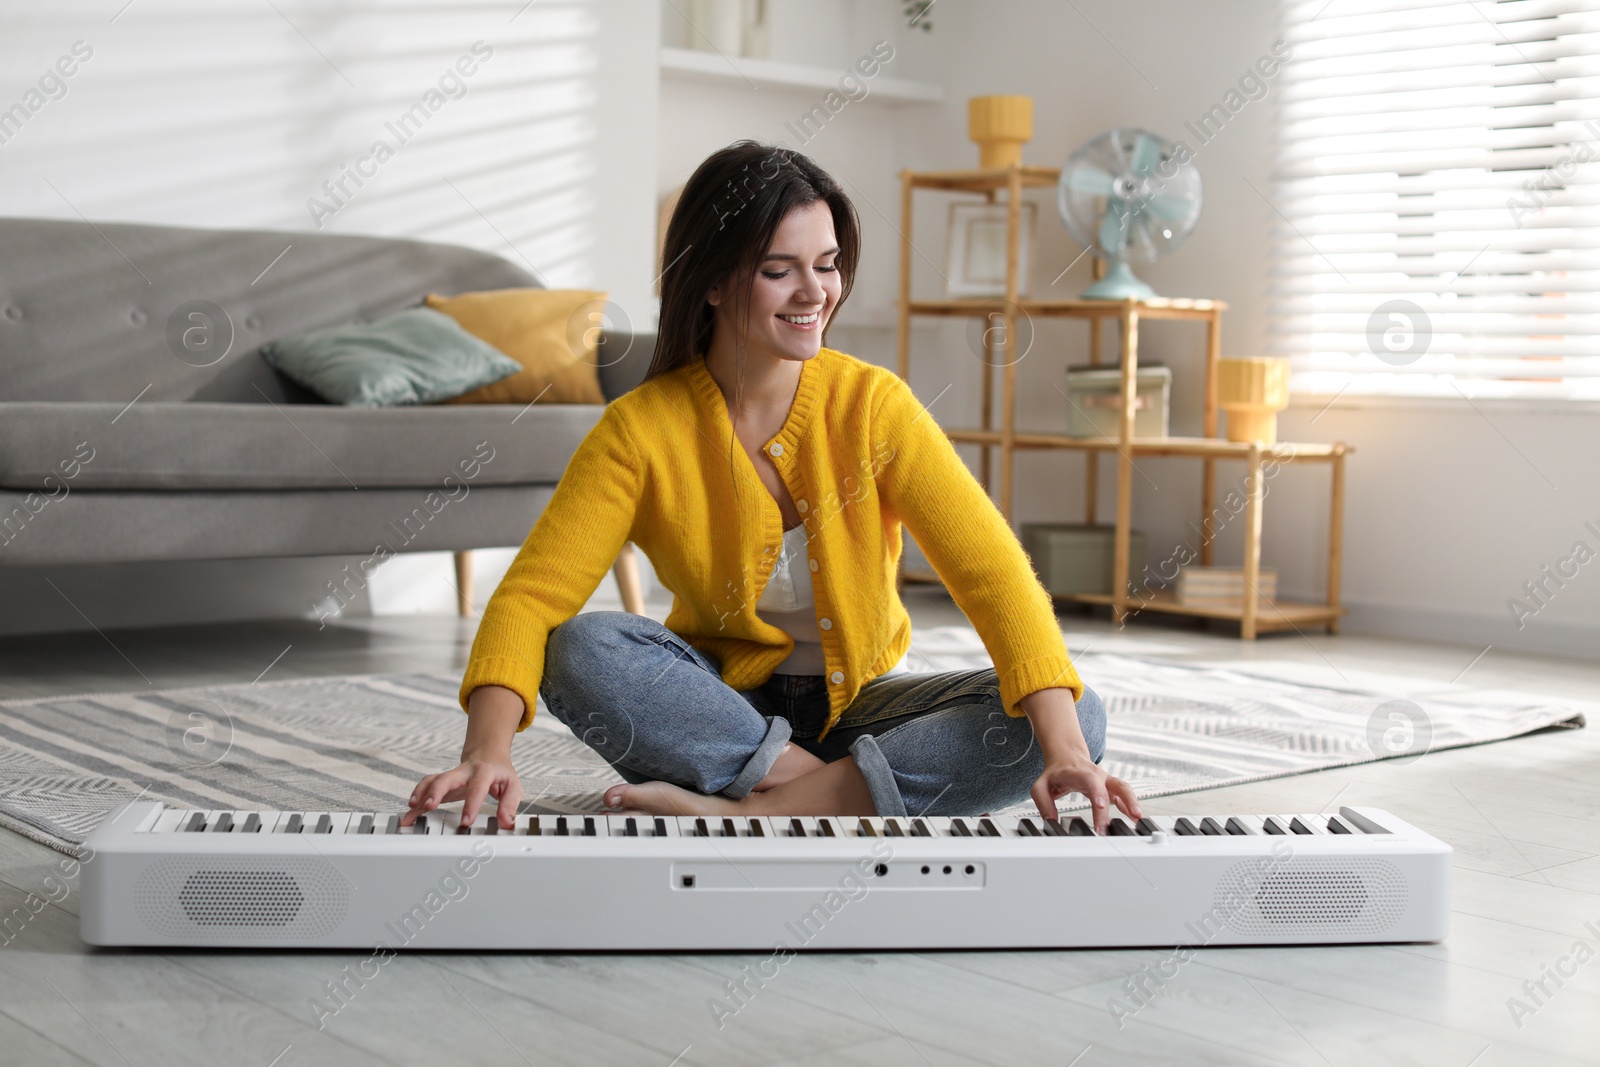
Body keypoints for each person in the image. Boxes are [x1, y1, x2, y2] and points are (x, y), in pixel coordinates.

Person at [403, 141, 1141, 834]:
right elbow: (533, 598)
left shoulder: (874, 406)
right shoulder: (640, 430)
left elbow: (993, 574)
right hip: (714, 714)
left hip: (860, 710)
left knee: (1073, 717)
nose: (815, 292)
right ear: (717, 281)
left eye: (827, 264)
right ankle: (828, 790)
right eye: (779, 269)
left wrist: (1069, 754)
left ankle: (748, 811)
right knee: (582, 648)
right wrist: (487, 751)